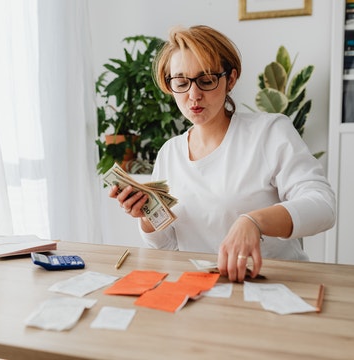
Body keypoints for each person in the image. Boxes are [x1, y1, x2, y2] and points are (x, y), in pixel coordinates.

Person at [108, 25, 336, 282]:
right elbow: (169, 248)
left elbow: (323, 206)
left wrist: (253, 221)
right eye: (181, 83)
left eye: (206, 80)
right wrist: (145, 216)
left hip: (273, 286)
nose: (194, 95)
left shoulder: (269, 132)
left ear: (231, 79)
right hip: (204, 291)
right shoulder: (170, 153)